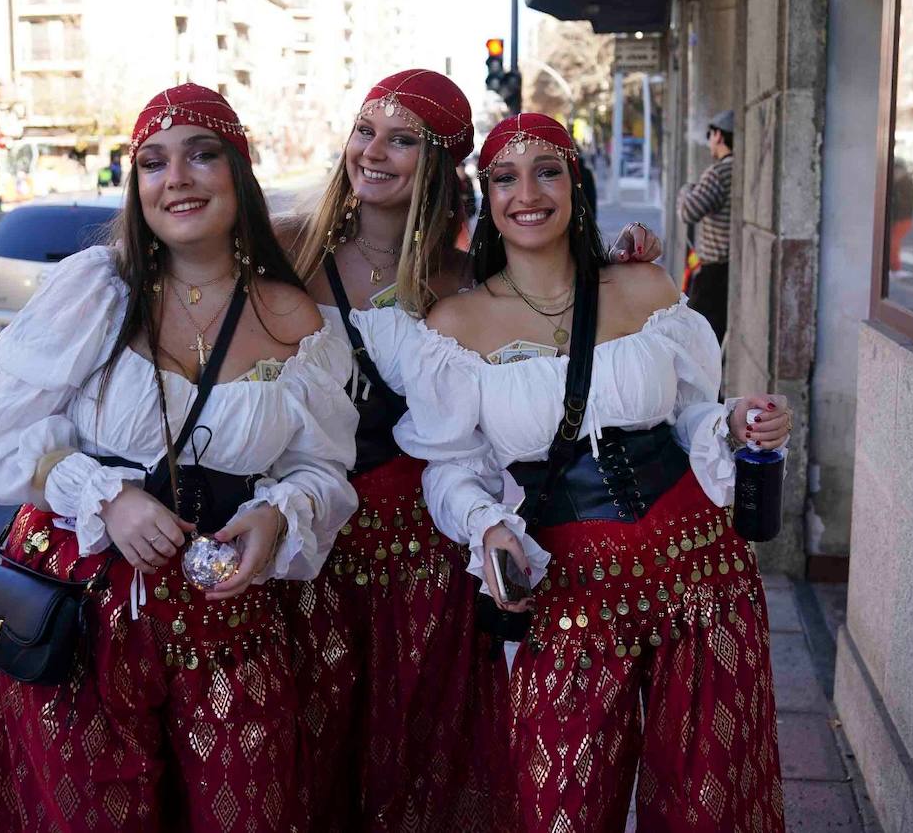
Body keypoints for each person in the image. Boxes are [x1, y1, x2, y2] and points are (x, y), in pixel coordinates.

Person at [0, 83, 359, 832]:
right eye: (152, 162)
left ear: (238, 175)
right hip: (81, 617)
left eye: (201, 154)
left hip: (229, 623)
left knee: (243, 807)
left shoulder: (296, 318)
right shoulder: (96, 292)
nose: (175, 176)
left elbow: (322, 467)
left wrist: (277, 515)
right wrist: (106, 494)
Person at [282, 70, 665, 833]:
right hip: (311, 539)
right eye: (366, 130)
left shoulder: (461, 280)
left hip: (424, 551)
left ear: (440, 163)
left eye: (403, 139)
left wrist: (615, 264)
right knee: (311, 741)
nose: (376, 151)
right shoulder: (288, 247)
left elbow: (546, 310)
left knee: (423, 751)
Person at [397, 113, 791, 833]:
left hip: (698, 574)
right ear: (485, 195)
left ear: (576, 181)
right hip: (570, 593)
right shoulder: (453, 327)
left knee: (709, 804)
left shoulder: (642, 286)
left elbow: (691, 415)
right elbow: (451, 470)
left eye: (548, 170)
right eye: (506, 177)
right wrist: (489, 529)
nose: (528, 192)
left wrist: (735, 423)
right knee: (562, 808)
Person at [676, 109, 734, 341]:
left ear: (718, 135)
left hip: (714, 271)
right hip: (730, 267)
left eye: (711, 136)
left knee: (699, 338)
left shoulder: (718, 172)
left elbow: (688, 212)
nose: (710, 142)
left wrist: (686, 190)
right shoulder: (740, 169)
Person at [888, 159, 913, 271]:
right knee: (892, 241)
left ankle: (894, 266)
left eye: (898, 170)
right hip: (897, 218)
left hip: (903, 218)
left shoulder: (906, 184)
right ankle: (892, 265)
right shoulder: (892, 183)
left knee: (893, 241)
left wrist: (901, 202)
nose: (896, 173)